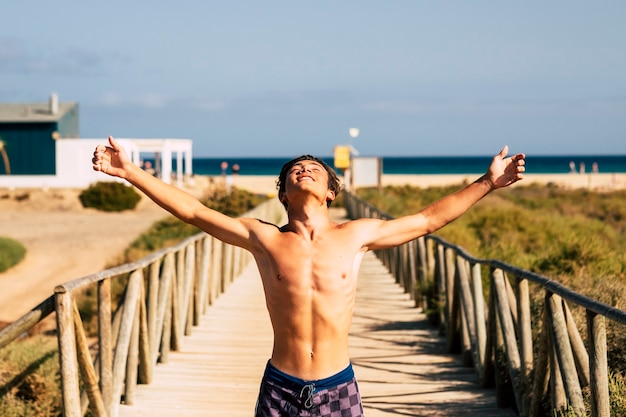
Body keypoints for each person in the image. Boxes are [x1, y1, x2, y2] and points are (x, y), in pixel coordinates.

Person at [92, 136, 525, 417]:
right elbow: (194, 212)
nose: (304, 169)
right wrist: (131, 173)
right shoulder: (261, 237)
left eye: (314, 168)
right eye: (294, 170)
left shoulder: (356, 235)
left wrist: (487, 183)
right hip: (280, 387)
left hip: (338, 386)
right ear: (282, 193)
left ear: (331, 192)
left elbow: (428, 219)